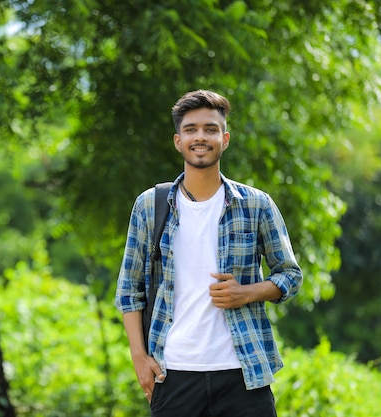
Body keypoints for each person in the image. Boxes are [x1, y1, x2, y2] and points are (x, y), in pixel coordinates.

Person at [115, 89, 303, 416]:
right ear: (178, 141)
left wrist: (246, 293)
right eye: (191, 129)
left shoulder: (256, 205)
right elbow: (129, 290)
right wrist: (139, 358)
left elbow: (291, 274)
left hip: (243, 374)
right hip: (173, 372)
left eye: (210, 129)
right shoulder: (150, 206)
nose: (200, 137)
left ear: (225, 139)